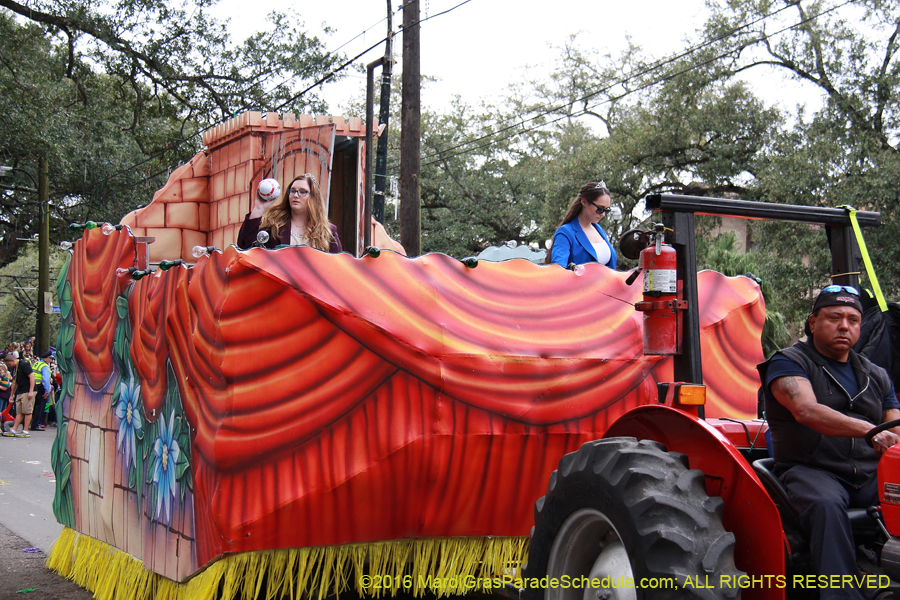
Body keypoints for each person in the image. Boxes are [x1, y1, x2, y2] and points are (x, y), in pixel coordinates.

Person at [758, 285, 900, 600]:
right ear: (812, 323)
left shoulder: (876, 375)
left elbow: (894, 427)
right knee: (825, 505)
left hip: (867, 473)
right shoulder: (787, 363)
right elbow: (807, 411)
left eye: (852, 319)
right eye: (834, 317)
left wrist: (887, 435)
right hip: (810, 470)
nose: (844, 326)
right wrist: (869, 430)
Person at [237, 174, 342, 253]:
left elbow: (338, 267)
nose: (296, 195)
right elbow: (245, 248)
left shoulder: (327, 231)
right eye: (292, 191)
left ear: (314, 198)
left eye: (302, 191)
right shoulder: (273, 223)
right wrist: (259, 208)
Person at [546, 181, 617, 269]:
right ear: (584, 202)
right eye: (600, 209)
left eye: (607, 210)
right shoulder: (565, 232)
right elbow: (559, 270)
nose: (603, 214)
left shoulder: (599, 230)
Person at [1, 351, 35, 438]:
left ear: (13, 361)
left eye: (9, 364)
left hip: (27, 390)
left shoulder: (23, 365)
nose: (8, 366)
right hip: (20, 390)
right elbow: (15, 382)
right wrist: (11, 395)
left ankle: (25, 430)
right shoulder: (16, 368)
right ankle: (14, 429)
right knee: (19, 411)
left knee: (27, 411)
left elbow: (32, 376)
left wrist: (31, 391)